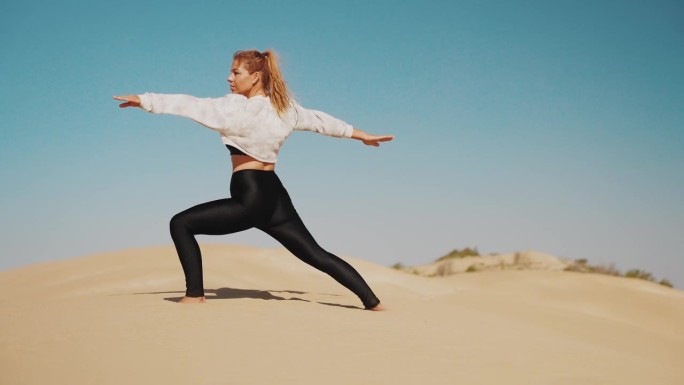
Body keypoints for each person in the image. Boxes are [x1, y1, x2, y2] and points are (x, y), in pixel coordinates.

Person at [114, 49, 392, 311]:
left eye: (236, 73)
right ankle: (373, 302)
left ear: (255, 76)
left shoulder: (234, 108)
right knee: (315, 253)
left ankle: (194, 295)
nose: (229, 78)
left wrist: (146, 100)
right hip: (275, 195)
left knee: (181, 224)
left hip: (250, 195)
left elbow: (189, 105)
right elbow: (322, 121)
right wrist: (362, 135)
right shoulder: (285, 108)